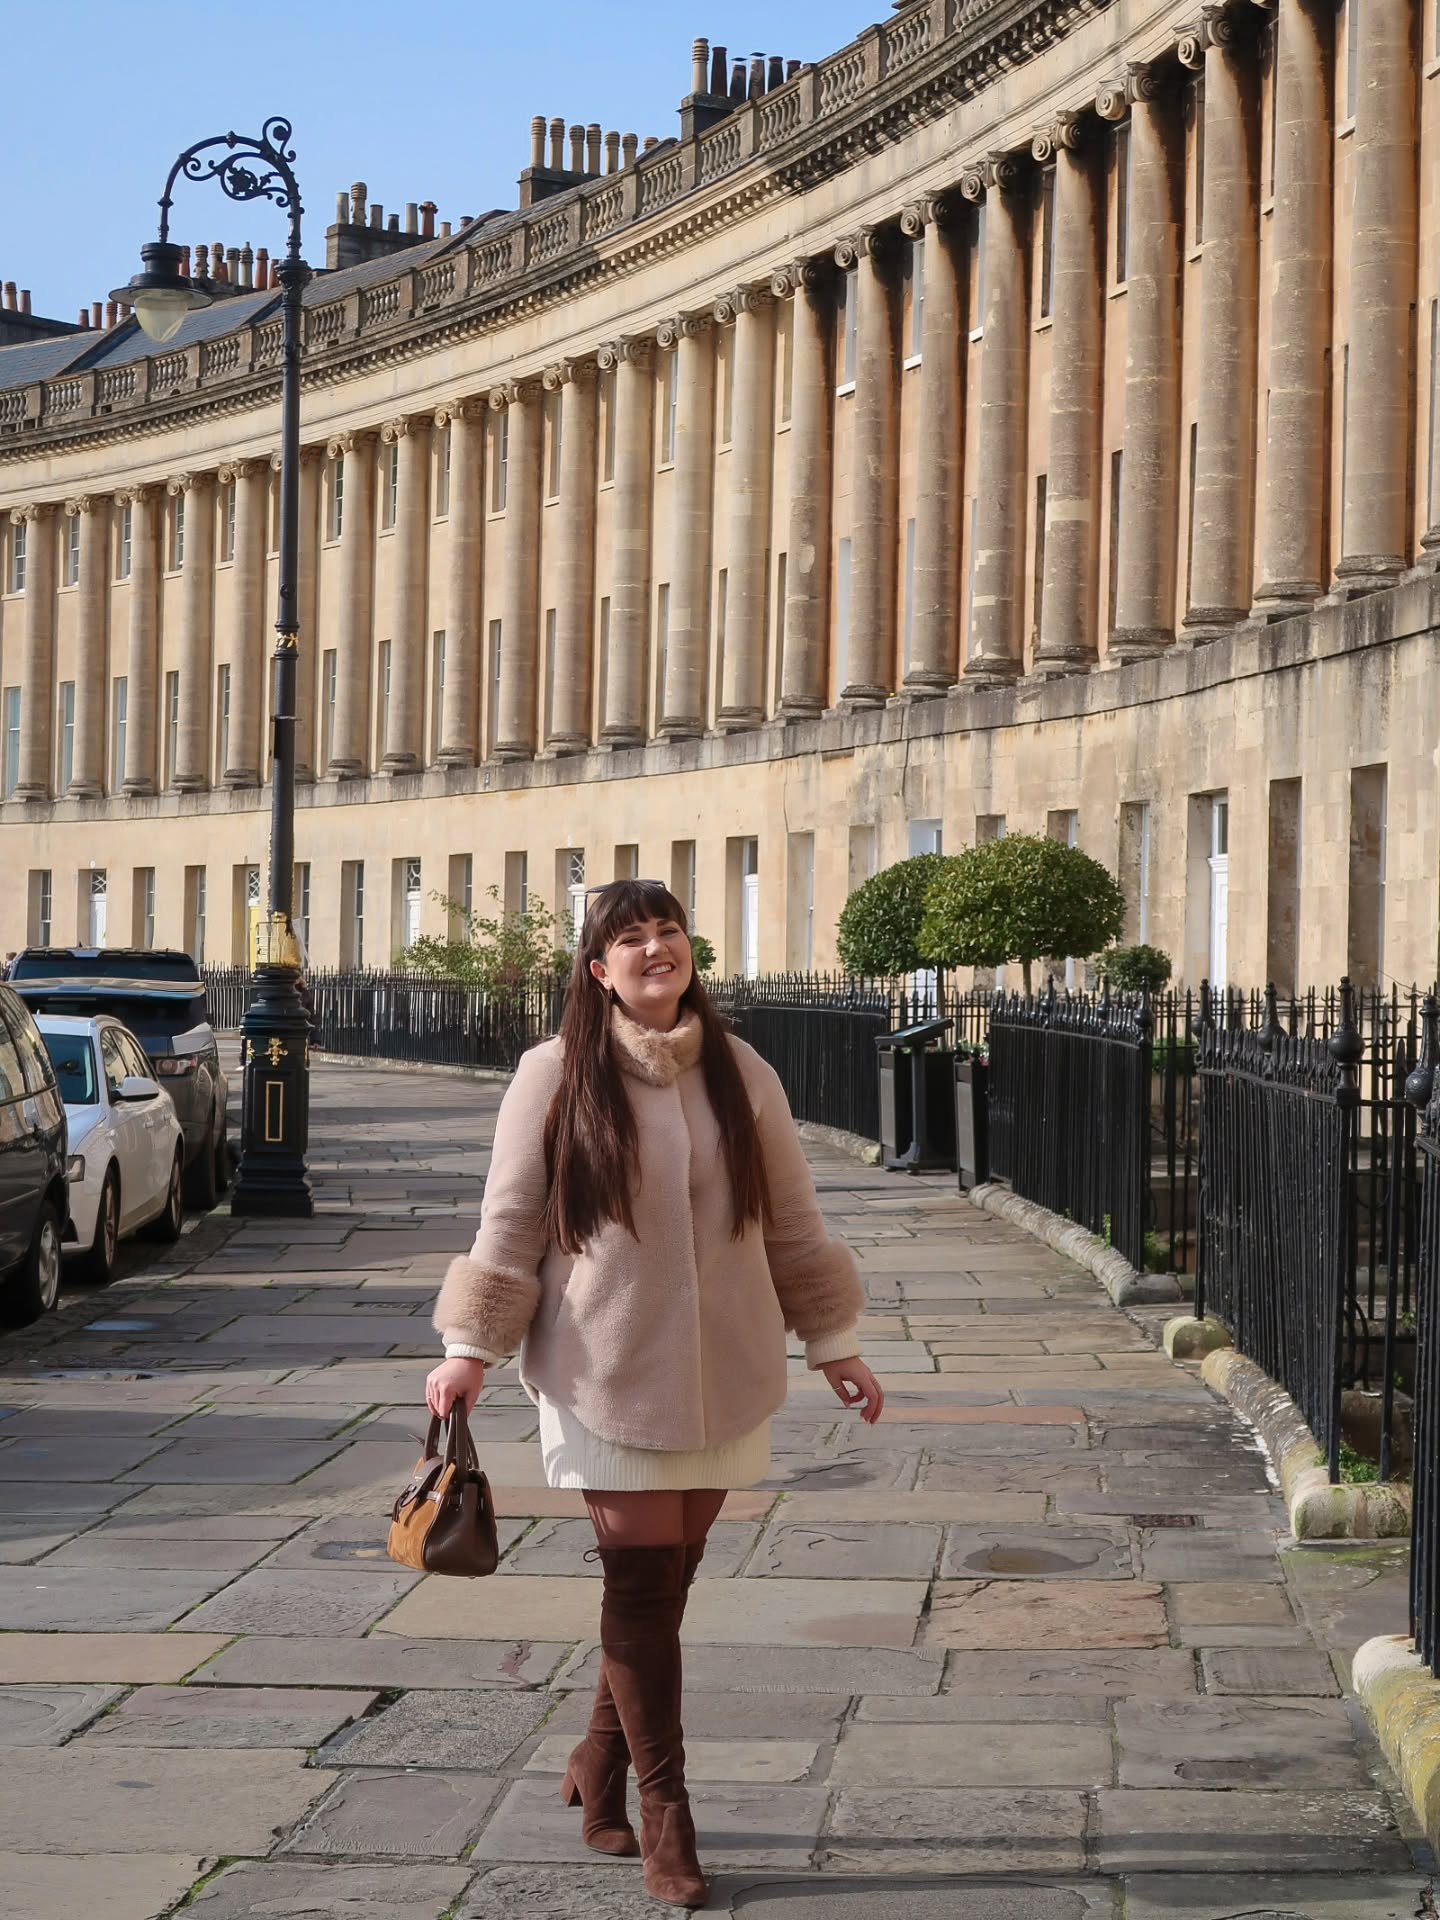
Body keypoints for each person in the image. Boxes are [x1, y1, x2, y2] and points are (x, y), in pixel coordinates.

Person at [426, 878, 883, 1909]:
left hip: (728, 1370)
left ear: (689, 952)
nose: (653, 948)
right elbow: (511, 1221)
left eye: (667, 930)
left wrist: (835, 1344)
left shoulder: (742, 1071)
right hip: (602, 1369)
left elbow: (795, 1221)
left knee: (669, 1580)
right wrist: (469, 1350)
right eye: (629, 938)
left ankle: (598, 1756)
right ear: (599, 970)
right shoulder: (552, 1073)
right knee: (639, 1585)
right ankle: (666, 1813)